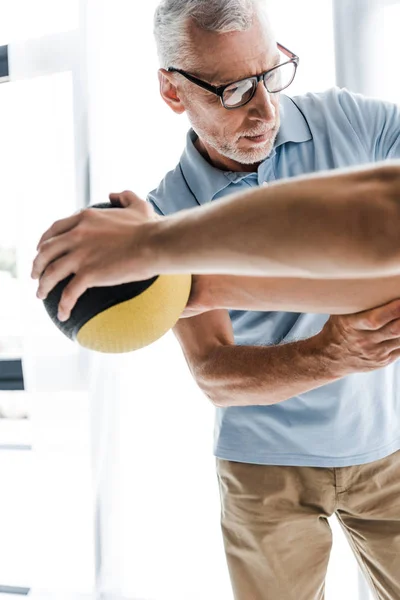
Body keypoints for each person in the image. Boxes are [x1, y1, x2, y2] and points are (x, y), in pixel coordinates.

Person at [30, 1, 400, 598]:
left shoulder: (353, 122)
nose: (264, 109)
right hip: (262, 469)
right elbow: (215, 375)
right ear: (173, 92)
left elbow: (382, 217)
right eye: (231, 91)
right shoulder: (168, 211)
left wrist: (194, 271)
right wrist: (332, 354)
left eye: (271, 74)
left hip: (390, 449)